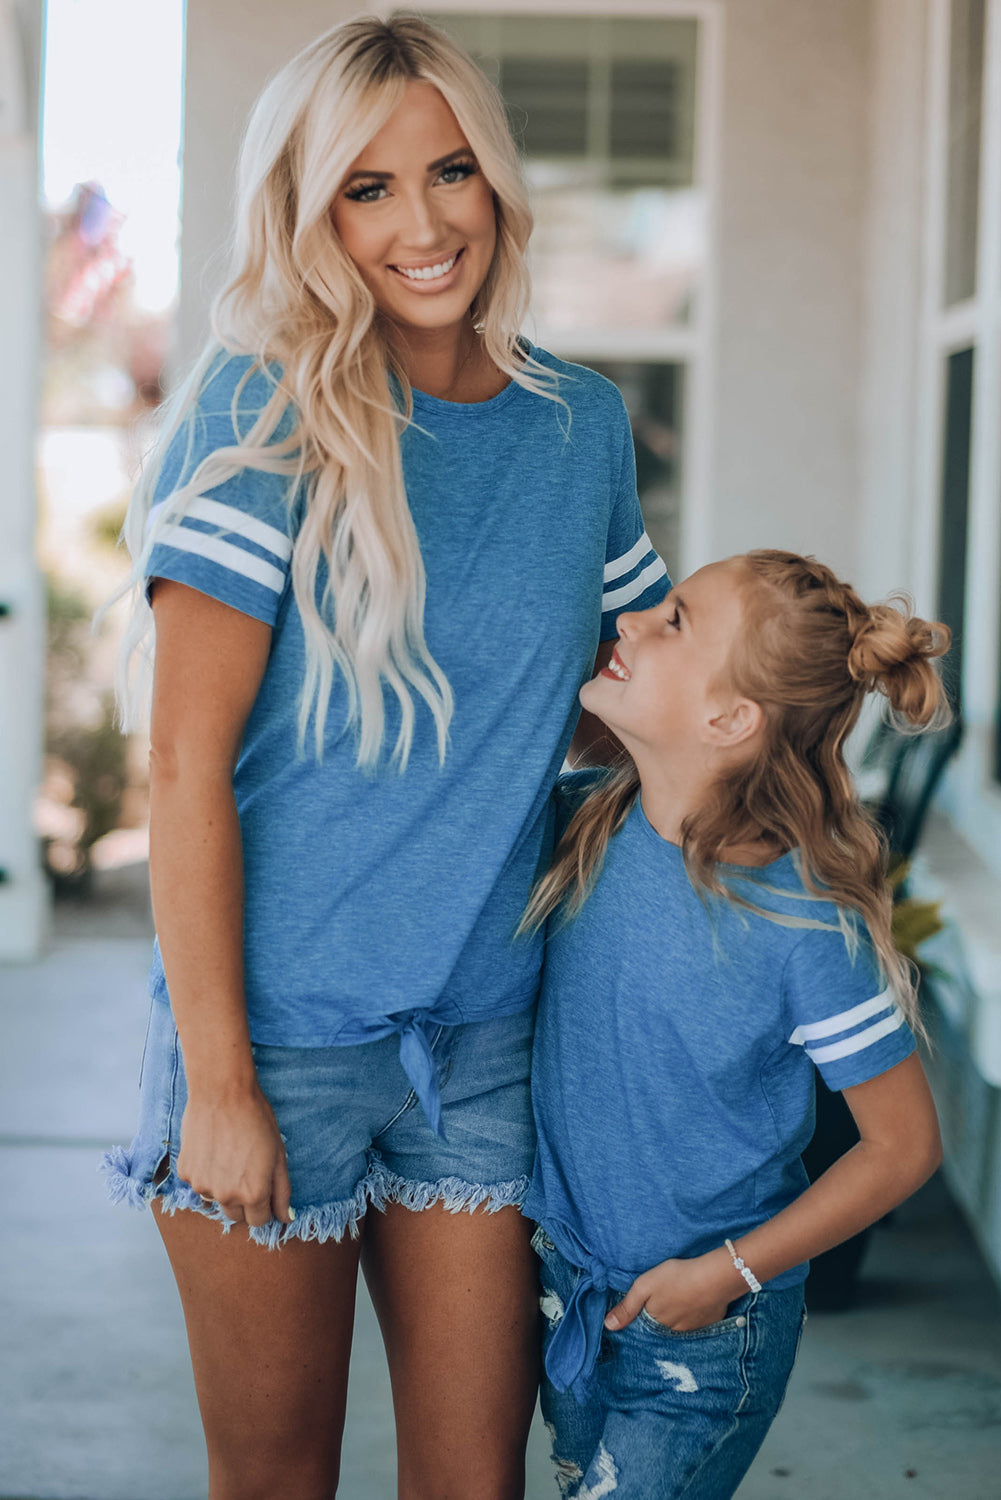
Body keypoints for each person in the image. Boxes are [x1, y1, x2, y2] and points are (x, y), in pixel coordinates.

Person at [99, 14, 669, 1499]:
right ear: (307, 211)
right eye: (367, 187)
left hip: (479, 1038)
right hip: (275, 1043)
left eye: (452, 171)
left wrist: (807, 674)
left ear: (495, 181)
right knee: (279, 1477)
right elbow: (180, 769)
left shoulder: (580, 426)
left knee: (471, 1483)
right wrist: (218, 1082)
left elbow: (633, 690)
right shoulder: (258, 408)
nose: (424, 224)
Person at [521, 551, 946, 1499]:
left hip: (706, 1333)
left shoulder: (800, 920)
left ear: (729, 719)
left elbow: (902, 1144)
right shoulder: (590, 823)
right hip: (571, 1293)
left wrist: (730, 1274)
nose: (629, 621)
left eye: (671, 620)